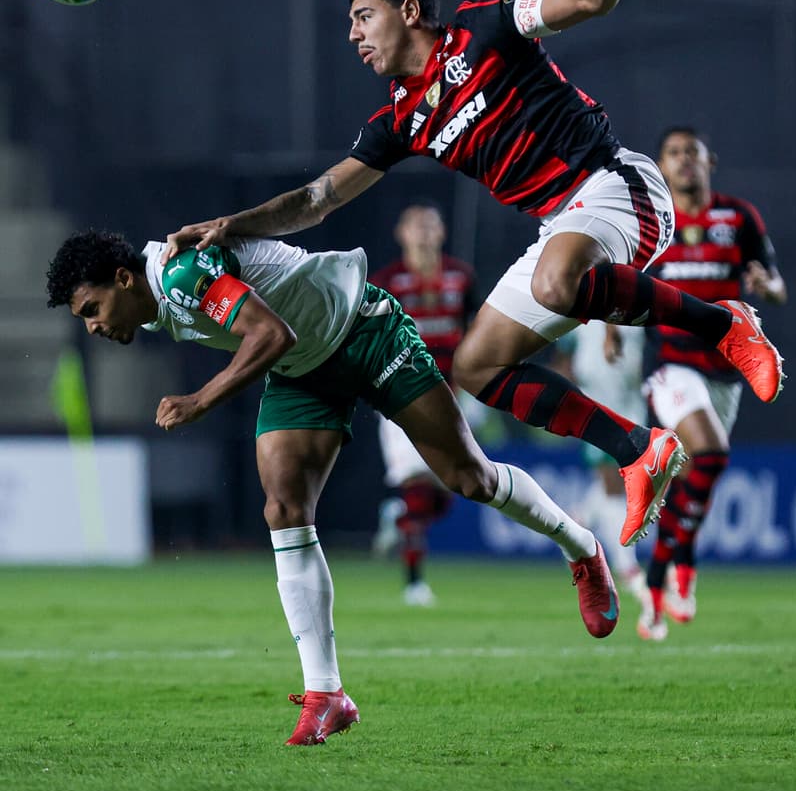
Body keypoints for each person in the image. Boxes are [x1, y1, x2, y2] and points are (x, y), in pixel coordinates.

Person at [162, 0, 785, 553]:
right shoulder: (399, 120)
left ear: (409, 11)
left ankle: (725, 325)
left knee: (556, 279)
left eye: (363, 16)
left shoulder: (484, 23)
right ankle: (637, 450)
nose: (353, 33)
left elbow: (589, 1)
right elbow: (316, 200)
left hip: (615, 185)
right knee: (477, 365)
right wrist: (229, 225)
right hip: (562, 224)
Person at [47, 230, 622, 748]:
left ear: (123, 279)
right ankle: (327, 696)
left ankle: (581, 546)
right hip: (302, 369)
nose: (94, 326)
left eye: (92, 310)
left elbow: (271, 332)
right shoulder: (152, 299)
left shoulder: (179, 275)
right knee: (284, 509)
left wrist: (200, 400)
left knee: (469, 477)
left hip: (364, 331)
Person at [635, 127, 788, 641]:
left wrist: (769, 287)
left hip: (728, 371)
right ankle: (664, 575)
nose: (683, 163)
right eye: (674, 154)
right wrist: (612, 330)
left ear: (709, 162)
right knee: (712, 454)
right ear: (661, 164)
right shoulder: (653, 221)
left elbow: (776, 282)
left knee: (689, 481)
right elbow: (623, 277)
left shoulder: (737, 217)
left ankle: (668, 577)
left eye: (692, 154)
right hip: (670, 365)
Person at [369, 201, 478, 607]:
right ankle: (414, 583)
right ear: (401, 233)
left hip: (451, 396)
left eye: (431, 225)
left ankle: (396, 516)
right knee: (417, 488)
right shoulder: (386, 282)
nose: (424, 233)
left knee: (444, 496)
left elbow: (474, 331)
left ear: (442, 233)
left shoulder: (461, 277)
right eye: (416, 226)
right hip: (401, 397)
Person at [552, 321, 651, 609]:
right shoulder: (589, 297)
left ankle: (577, 521)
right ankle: (628, 567)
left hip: (630, 391)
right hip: (598, 391)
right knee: (613, 484)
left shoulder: (637, 296)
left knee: (623, 480)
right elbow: (565, 350)